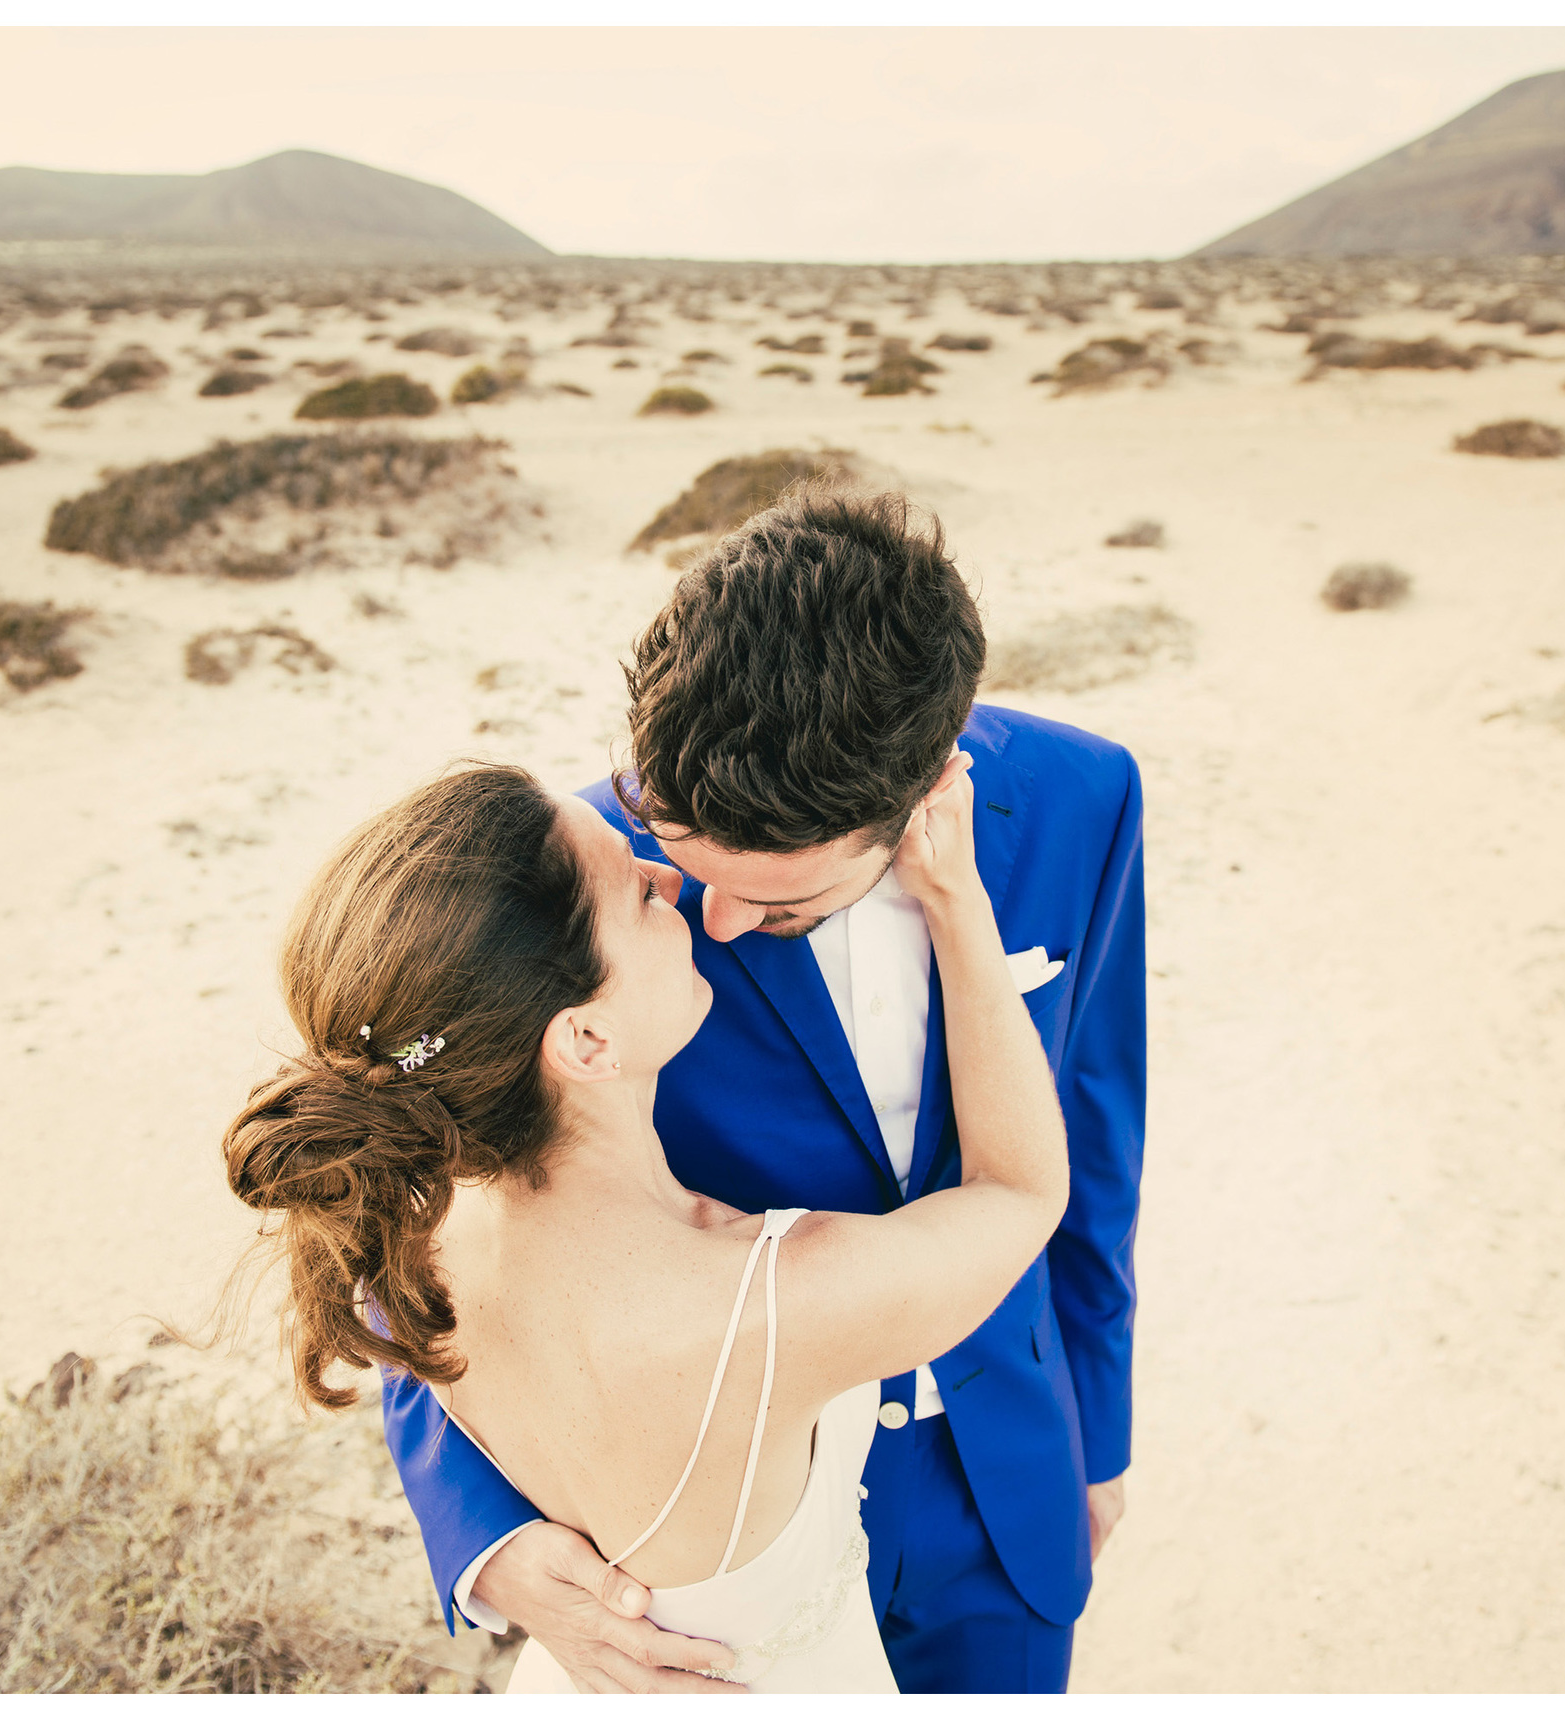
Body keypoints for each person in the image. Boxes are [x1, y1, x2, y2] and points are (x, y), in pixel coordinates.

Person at [381, 490, 1148, 1694]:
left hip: (1007, 1498)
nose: (717, 922)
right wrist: (490, 1540)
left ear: (923, 785)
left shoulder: (1082, 799)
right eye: (687, 872)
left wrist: (1095, 1440)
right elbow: (422, 1191)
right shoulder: (575, 889)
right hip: (705, 1557)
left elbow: (1098, 1144)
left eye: (779, 908)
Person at [223, 755, 1066, 1692]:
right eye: (638, 893)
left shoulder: (411, 1244)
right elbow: (1019, 1195)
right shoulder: (766, 1304)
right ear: (586, 1039)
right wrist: (956, 902)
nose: (672, 877)